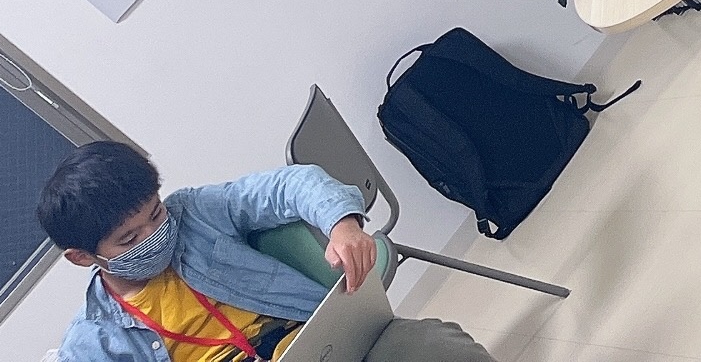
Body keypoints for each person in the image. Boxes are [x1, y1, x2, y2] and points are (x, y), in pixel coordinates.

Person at [40, 139, 494, 362]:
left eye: (156, 214)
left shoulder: (193, 212)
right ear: (82, 256)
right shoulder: (93, 342)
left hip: (323, 344)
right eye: (129, 239)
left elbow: (288, 185)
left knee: (436, 348)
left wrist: (342, 225)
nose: (154, 235)